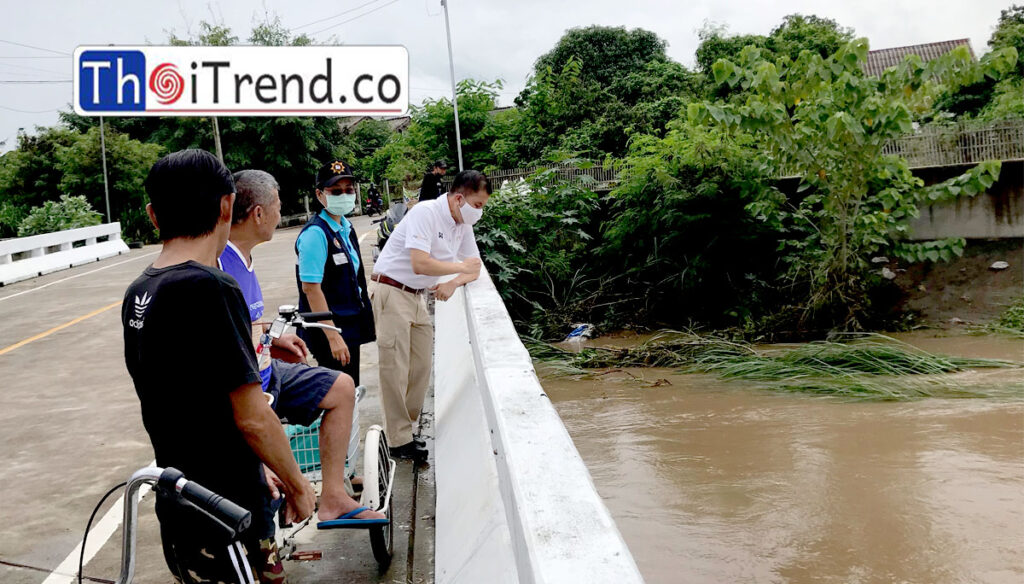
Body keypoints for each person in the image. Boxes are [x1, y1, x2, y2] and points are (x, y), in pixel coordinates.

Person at [121, 149, 315, 584]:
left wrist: (257, 464)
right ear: (227, 205)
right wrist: (298, 485)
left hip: (178, 499)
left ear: (153, 215)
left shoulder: (140, 291)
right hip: (230, 513)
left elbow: (187, 403)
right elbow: (251, 417)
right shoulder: (212, 287)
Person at [217, 169, 384, 526]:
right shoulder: (221, 265)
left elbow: (247, 320)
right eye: (277, 206)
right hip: (247, 385)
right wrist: (330, 333)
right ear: (259, 213)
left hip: (266, 368)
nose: (281, 214)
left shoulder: (245, 258)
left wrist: (273, 337)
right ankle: (293, 491)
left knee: (342, 387)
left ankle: (335, 497)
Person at [370, 170, 491, 460]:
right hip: (391, 290)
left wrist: (451, 282)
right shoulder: (426, 213)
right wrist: (460, 269)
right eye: (477, 205)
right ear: (459, 198)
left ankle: (405, 426)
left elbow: (475, 267)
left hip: (417, 296)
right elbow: (420, 263)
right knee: (394, 368)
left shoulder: (462, 224)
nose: (479, 212)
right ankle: (398, 441)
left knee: (421, 368)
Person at [295, 160, 375, 386]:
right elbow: (311, 288)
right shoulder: (315, 234)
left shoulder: (345, 229)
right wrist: (332, 335)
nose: (344, 195)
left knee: (352, 388)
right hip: (330, 329)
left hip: (349, 324)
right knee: (340, 393)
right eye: (336, 191)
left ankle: (351, 423)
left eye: (349, 190)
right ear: (320, 195)